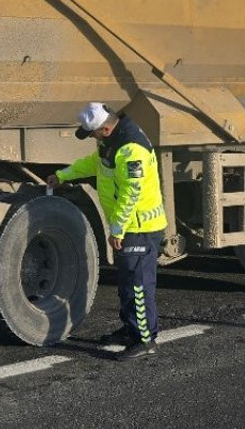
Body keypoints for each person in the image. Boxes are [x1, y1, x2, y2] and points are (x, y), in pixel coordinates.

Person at [46, 102, 167, 361]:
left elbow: (131, 192)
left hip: (139, 227)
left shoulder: (130, 149)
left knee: (138, 286)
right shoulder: (110, 142)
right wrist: (64, 175)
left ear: (106, 129)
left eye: (92, 134)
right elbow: (95, 164)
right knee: (126, 285)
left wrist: (117, 229)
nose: (91, 138)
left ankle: (146, 340)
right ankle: (130, 330)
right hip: (130, 227)